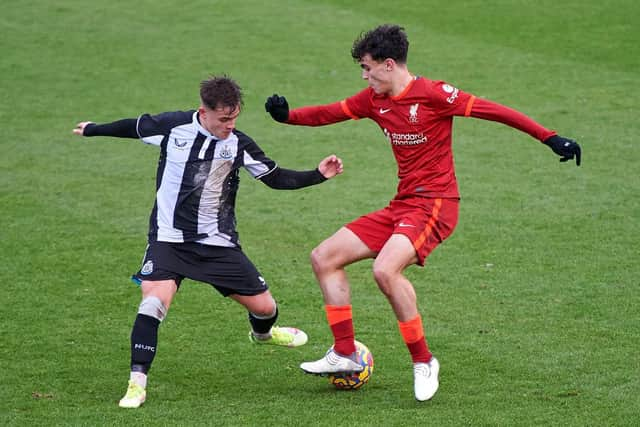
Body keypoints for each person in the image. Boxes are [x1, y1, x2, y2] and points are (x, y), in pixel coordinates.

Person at [265, 24, 581, 401]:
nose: (364, 77)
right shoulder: (373, 100)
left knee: (385, 269)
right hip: (402, 205)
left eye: (367, 68)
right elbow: (329, 113)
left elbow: (495, 111)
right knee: (324, 257)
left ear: (387, 65)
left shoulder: (433, 94)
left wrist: (549, 137)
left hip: (436, 204)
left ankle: (424, 360)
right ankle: (346, 353)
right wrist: (287, 116)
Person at [72, 75, 344, 408]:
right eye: (224, 119)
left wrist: (318, 174)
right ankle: (136, 383)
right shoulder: (173, 127)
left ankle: (263, 335)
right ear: (204, 111)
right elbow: (134, 127)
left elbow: (274, 178)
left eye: (235, 118)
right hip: (168, 241)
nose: (230, 125)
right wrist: (93, 128)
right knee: (153, 304)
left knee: (266, 308)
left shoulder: (238, 144)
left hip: (218, 245)